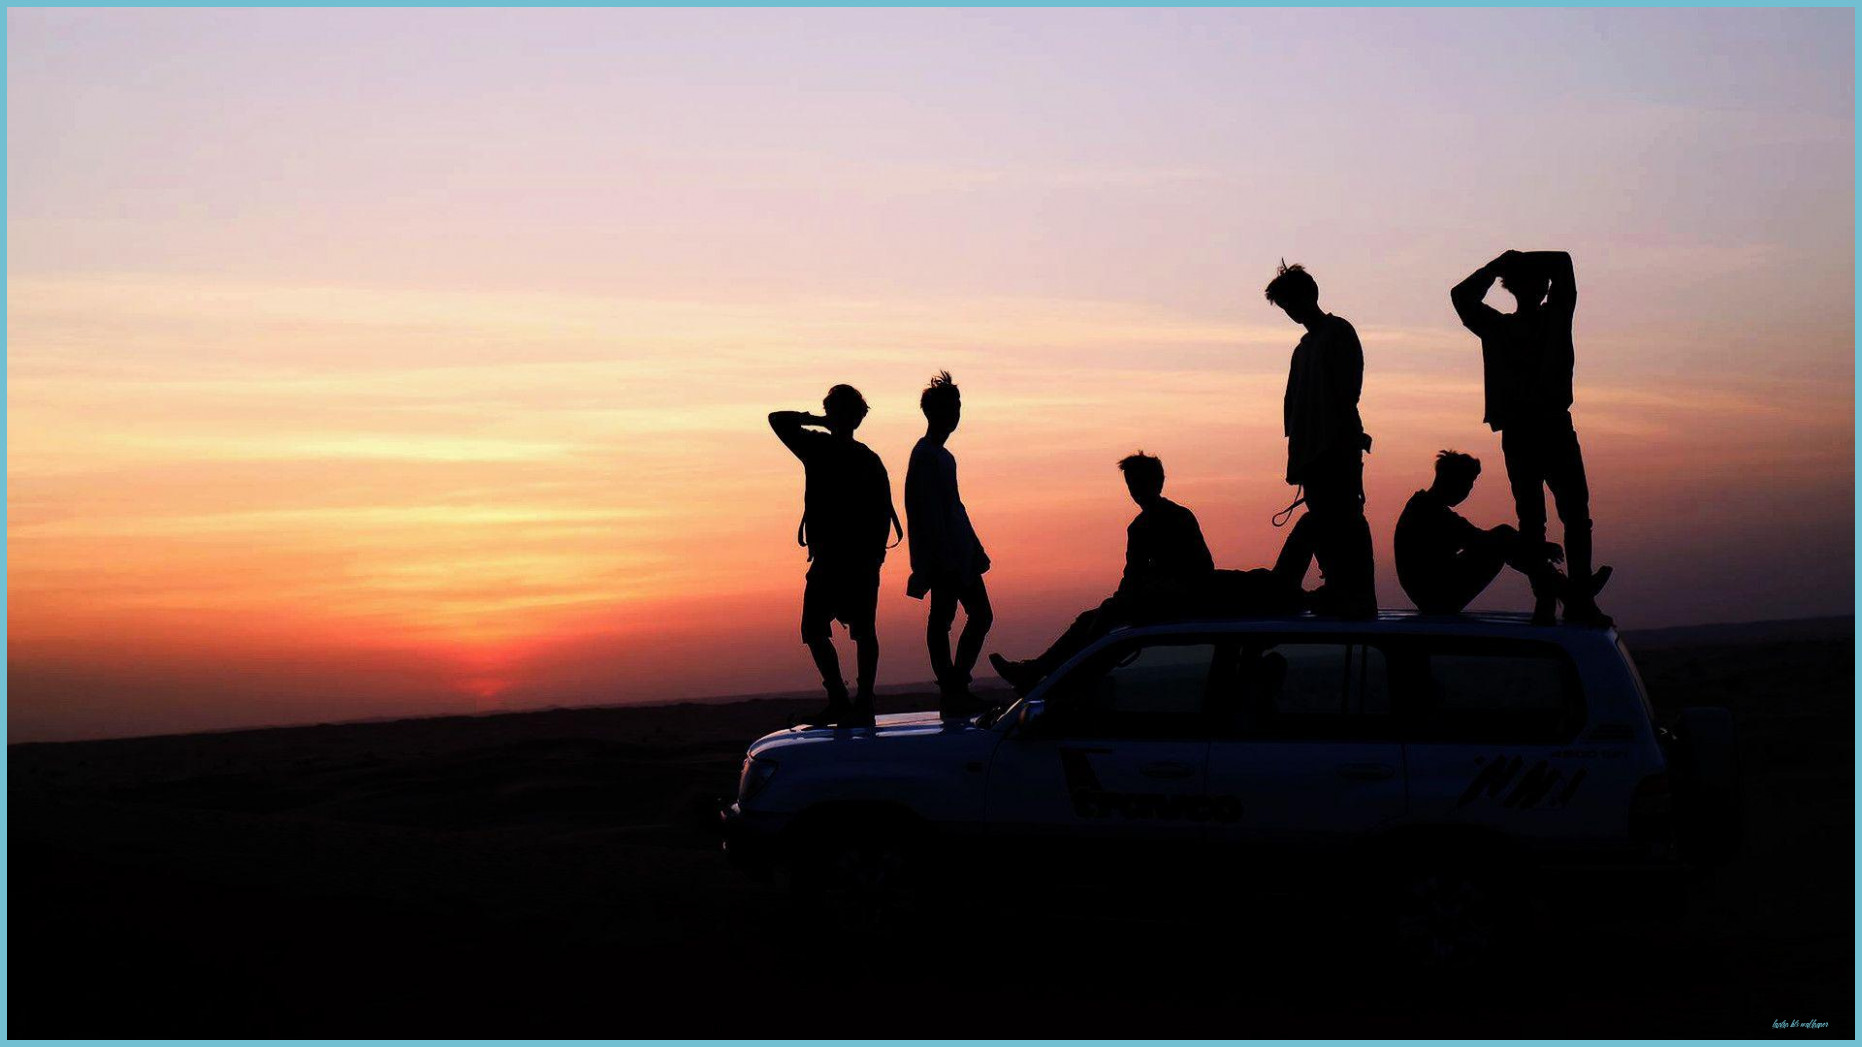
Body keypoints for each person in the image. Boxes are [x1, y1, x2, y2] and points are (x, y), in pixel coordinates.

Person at [1451, 249, 1612, 626]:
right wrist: (1502, 264)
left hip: (1545, 428)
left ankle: (1571, 599)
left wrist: (1507, 262)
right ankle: (1555, 598)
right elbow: (1460, 297)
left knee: (1563, 517)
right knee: (1543, 520)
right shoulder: (1510, 325)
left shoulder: (1544, 319)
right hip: (1530, 431)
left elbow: (1564, 263)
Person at [988, 453, 1213, 694]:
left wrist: (1150, 588)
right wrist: (1125, 597)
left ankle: (1065, 679)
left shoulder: (1177, 518)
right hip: (1155, 599)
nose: (1134, 489)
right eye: (1130, 483)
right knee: (1090, 619)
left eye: (1138, 482)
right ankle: (1040, 672)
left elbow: (1200, 569)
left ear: (1157, 482)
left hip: (1178, 601)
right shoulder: (1140, 526)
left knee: (1102, 617)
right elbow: (1132, 575)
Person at [769, 385, 901, 727]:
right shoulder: (821, 447)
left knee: (858, 630)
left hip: (853, 560)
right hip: (834, 559)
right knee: (818, 628)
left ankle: (861, 701)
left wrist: (875, 558)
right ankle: (844, 701)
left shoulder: (854, 456)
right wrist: (821, 422)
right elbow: (777, 419)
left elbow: (882, 514)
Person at [1263, 261, 1377, 617]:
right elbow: (1293, 408)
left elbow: (1347, 393)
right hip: (1311, 456)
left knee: (1344, 522)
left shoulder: (1337, 332)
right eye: (1286, 307)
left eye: (1292, 302)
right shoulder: (1303, 349)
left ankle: (1354, 595)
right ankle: (1338, 588)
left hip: (1336, 450)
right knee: (1324, 526)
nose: (1291, 312)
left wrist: (1343, 446)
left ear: (1310, 295)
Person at [1394, 450, 1610, 615]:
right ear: (1450, 481)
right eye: (1466, 486)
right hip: (1436, 596)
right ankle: (1566, 592)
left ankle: (1563, 591)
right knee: (1503, 535)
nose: (1467, 493)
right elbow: (1483, 540)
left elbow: (1480, 538)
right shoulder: (1430, 513)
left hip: (1435, 591)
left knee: (1502, 537)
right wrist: (1539, 549)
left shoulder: (1425, 507)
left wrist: (1532, 548)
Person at [904, 372, 995, 719]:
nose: (955, 414)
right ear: (933, 412)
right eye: (950, 408)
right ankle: (952, 688)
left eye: (957, 407)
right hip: (945, 556)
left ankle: (955, 686)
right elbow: (927, 512)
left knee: (974, 616)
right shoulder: (925, 455)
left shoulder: (943, 456)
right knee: (947, 618)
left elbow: (955, 507)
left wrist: (974, 546)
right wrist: (942, 558)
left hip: (959, 552)